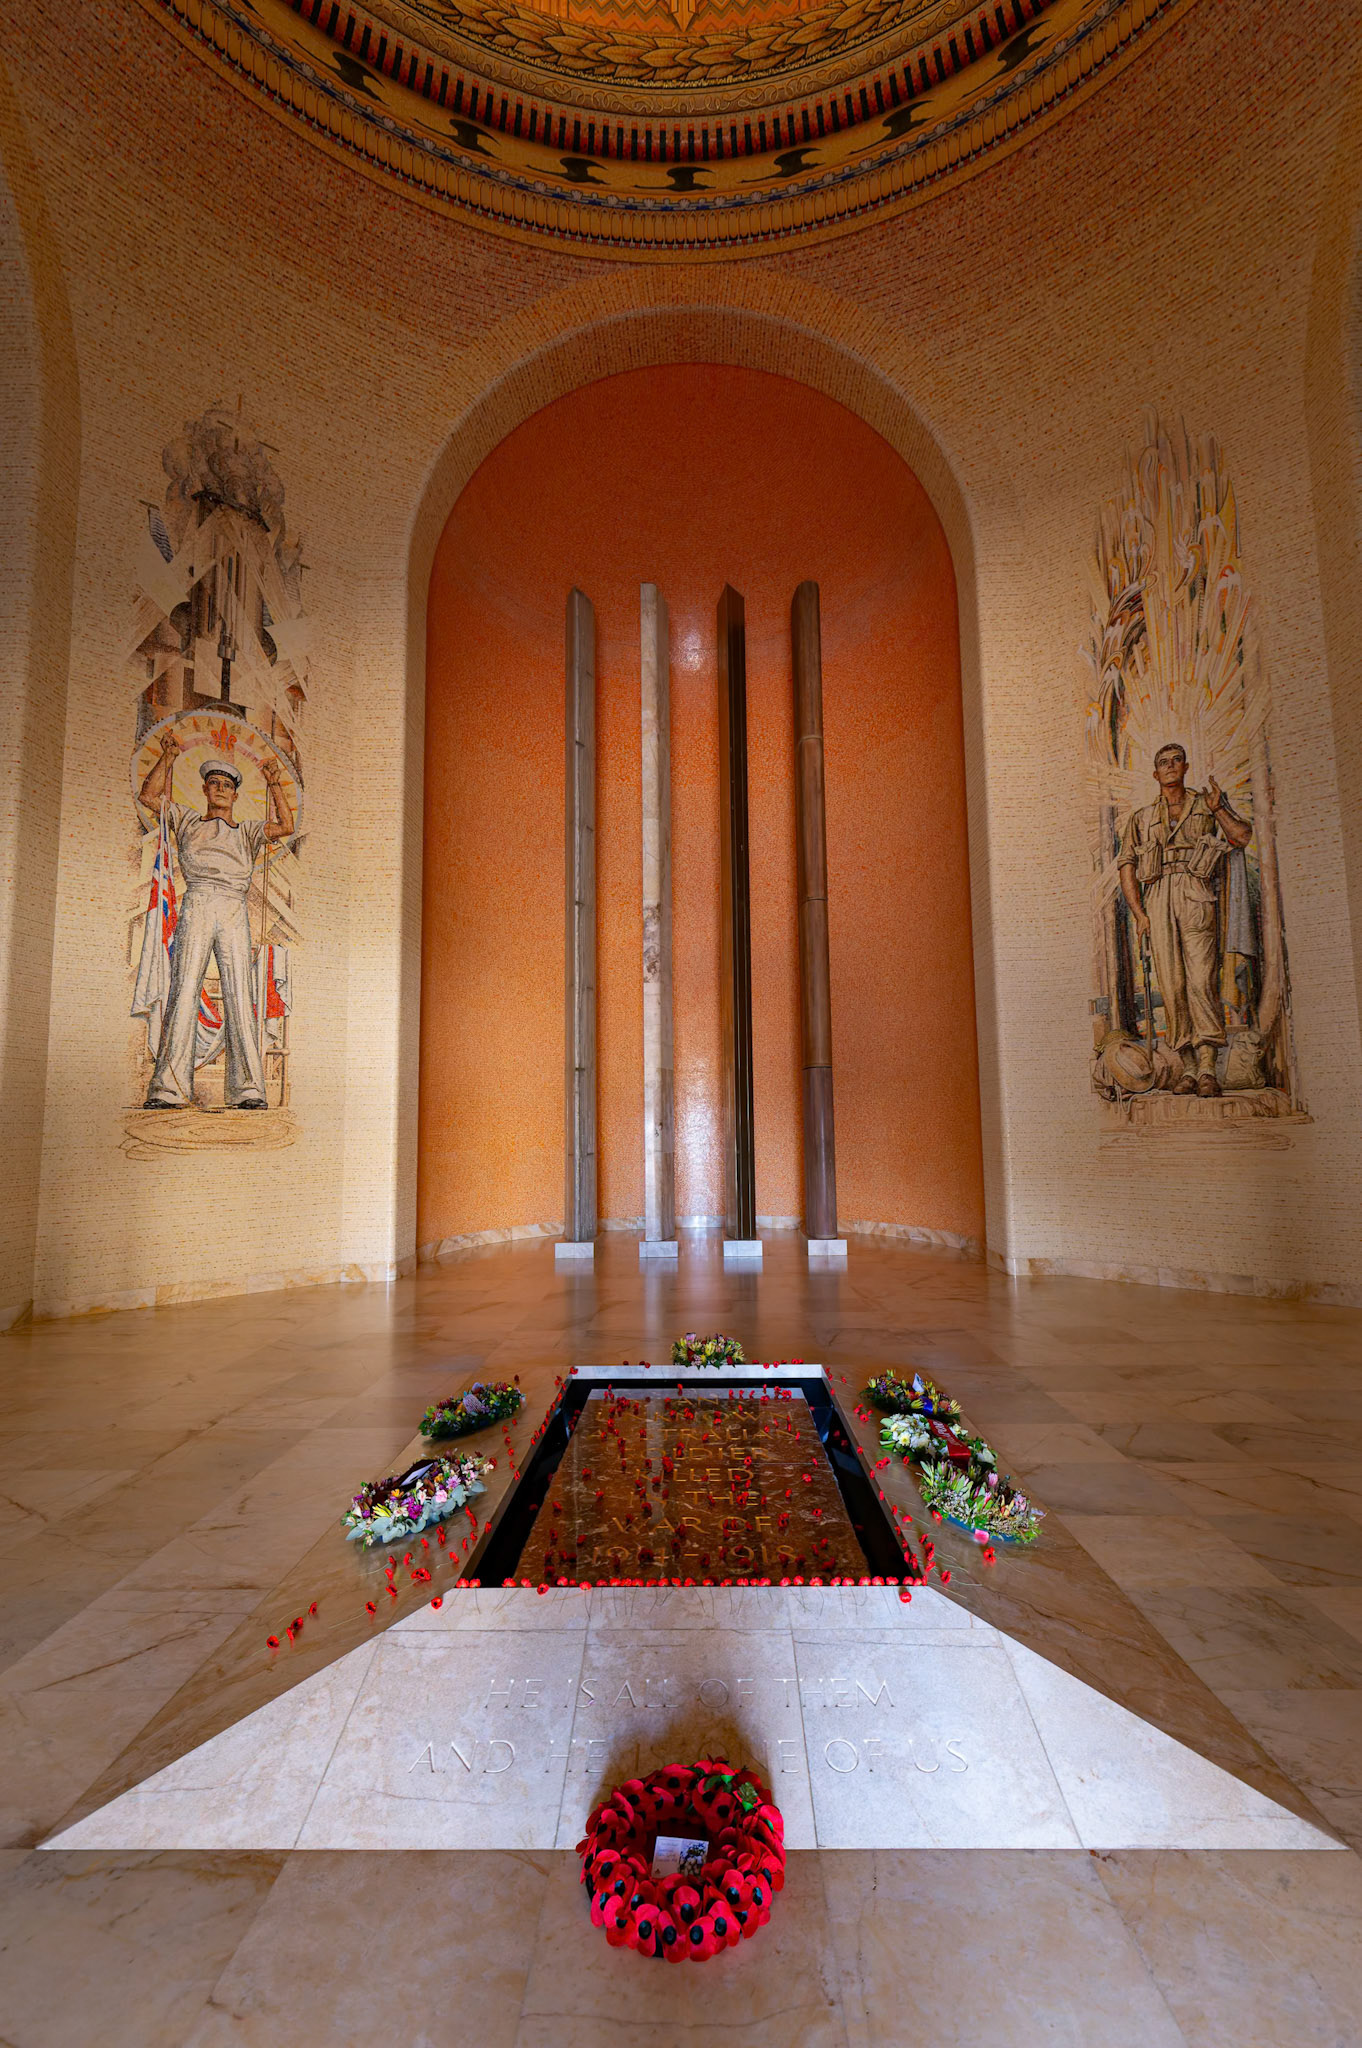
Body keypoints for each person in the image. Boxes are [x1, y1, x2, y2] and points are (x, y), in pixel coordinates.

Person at [137, 728, 294, 1109]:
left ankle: (248, 1090)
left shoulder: (249, 830)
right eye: (214, 783)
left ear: (236, 794)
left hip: (233, 907)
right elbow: (148, 796)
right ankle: (168, 1088)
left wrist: (274, 784)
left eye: (227, 784)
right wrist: (169, 757)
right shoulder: (188, 821)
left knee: (241, 993)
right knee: (184, 989)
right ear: (206, 790)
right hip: (197, 902)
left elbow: (287, 826)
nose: (221, 788)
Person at [1117, 742, 1251, 1097]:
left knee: (1200, 980)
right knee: (1173, 984)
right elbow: (1127, 865)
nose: (1170, 766)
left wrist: (1219, 808)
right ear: (1155, 773)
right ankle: (1188, 1068)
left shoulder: (1206, 805)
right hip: (1158, 897)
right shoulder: (1142, 817)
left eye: (1176, 760)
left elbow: (1241, 837)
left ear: (1186, 766)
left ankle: (1208, 1068)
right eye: (1163, 762)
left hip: (1196, 893)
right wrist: (1139, 914)